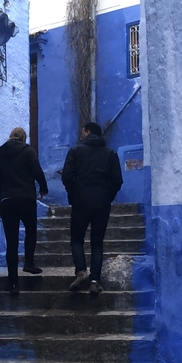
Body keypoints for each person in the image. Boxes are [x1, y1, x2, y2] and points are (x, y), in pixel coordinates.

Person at [61, 122, 123, 295]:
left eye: (82, 132)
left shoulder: (75, 151)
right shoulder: (110, 154)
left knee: (76, 239)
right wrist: (106, 195)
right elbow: (117, 180)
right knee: (97, 242)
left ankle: (81, 271)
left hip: (80, 201)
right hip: (101, 203)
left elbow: (67, 176)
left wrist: (74, 193)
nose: (81, 135)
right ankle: (95, 280)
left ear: (88, 132)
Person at [0, 127, 48, 294]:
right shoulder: (28, 151)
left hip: (7, 201)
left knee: (11, 242)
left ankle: (13, 283)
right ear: (24, 138)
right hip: (26, 199)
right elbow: (37, 171)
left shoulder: (0, 155)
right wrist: (43, 188)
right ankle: (29, 264)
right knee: (31, 230)